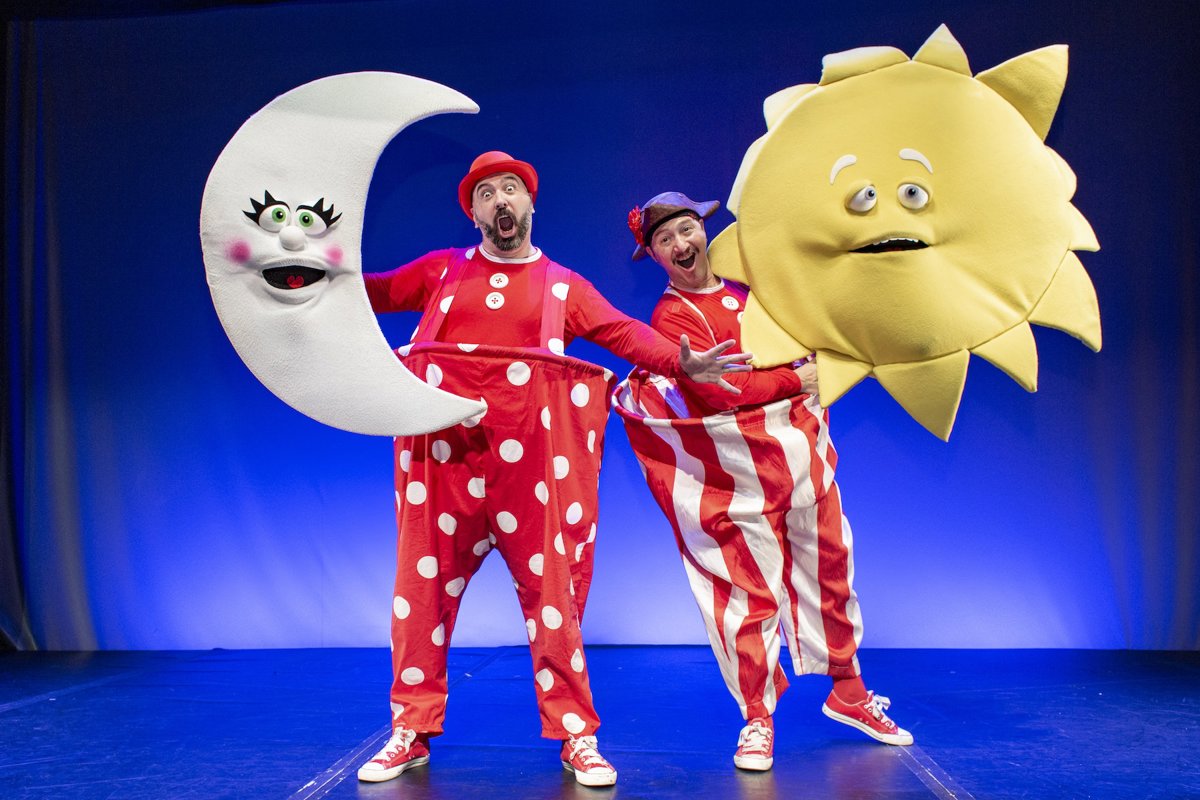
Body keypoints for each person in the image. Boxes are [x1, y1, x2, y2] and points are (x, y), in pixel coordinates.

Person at [356, 156, 748, 787]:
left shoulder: (562, 286)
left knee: (553, 602)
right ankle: (411, 728)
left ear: (530, 203)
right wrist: (309, 273)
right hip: (443, 463)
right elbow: (371, 292)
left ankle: (576, 736)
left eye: (510, 189)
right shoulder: (442, 271)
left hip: (531, 467)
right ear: (474, 213)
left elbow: (622, 332)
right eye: (486, 193)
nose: (500, 201)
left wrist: (682, 363)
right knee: (419, 597)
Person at [614, 192, 912, 773]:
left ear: (704, 231)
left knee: (830, 568)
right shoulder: (673, 318)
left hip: (801, 452)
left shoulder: (748, 289)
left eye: (685, 230)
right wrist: (798, 378)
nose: (680, 244)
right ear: (654, 255)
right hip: (737, 473)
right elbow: (722, 391)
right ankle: (757, 717)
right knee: (745, 591)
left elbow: (805, 339)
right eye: (664, 240)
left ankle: (849, 691)